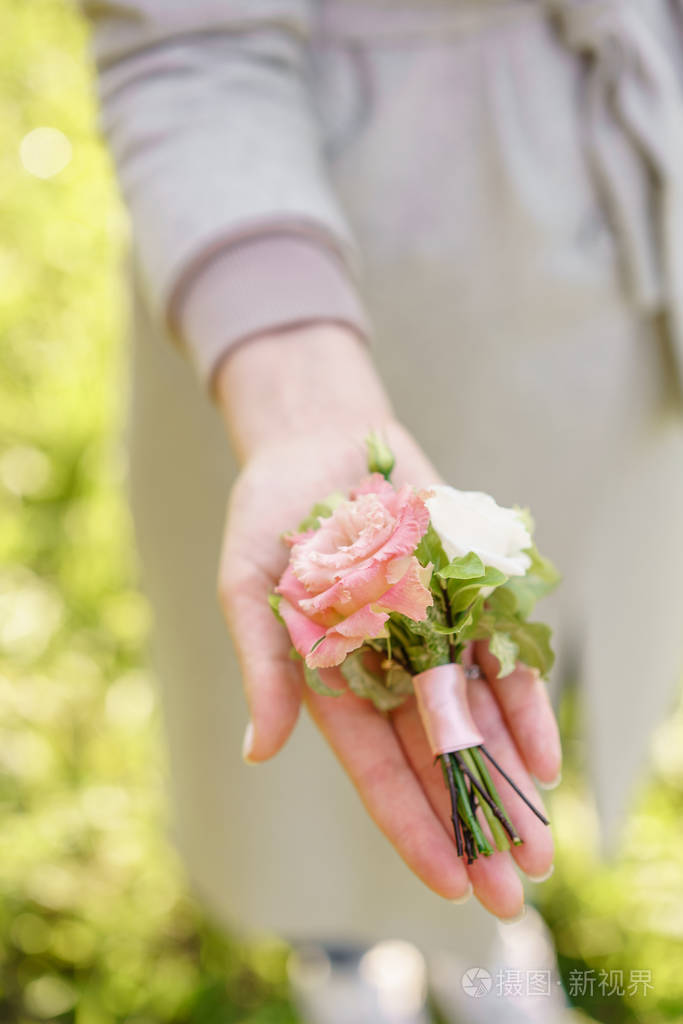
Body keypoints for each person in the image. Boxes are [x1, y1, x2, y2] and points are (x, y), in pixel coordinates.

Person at [82, 1, 683, 1020]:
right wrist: (298, 399)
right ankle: (345, 952)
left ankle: (480, 931)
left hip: (597, 247)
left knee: (521, 684)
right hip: (305, 239)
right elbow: (186, 37)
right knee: (306, 745)